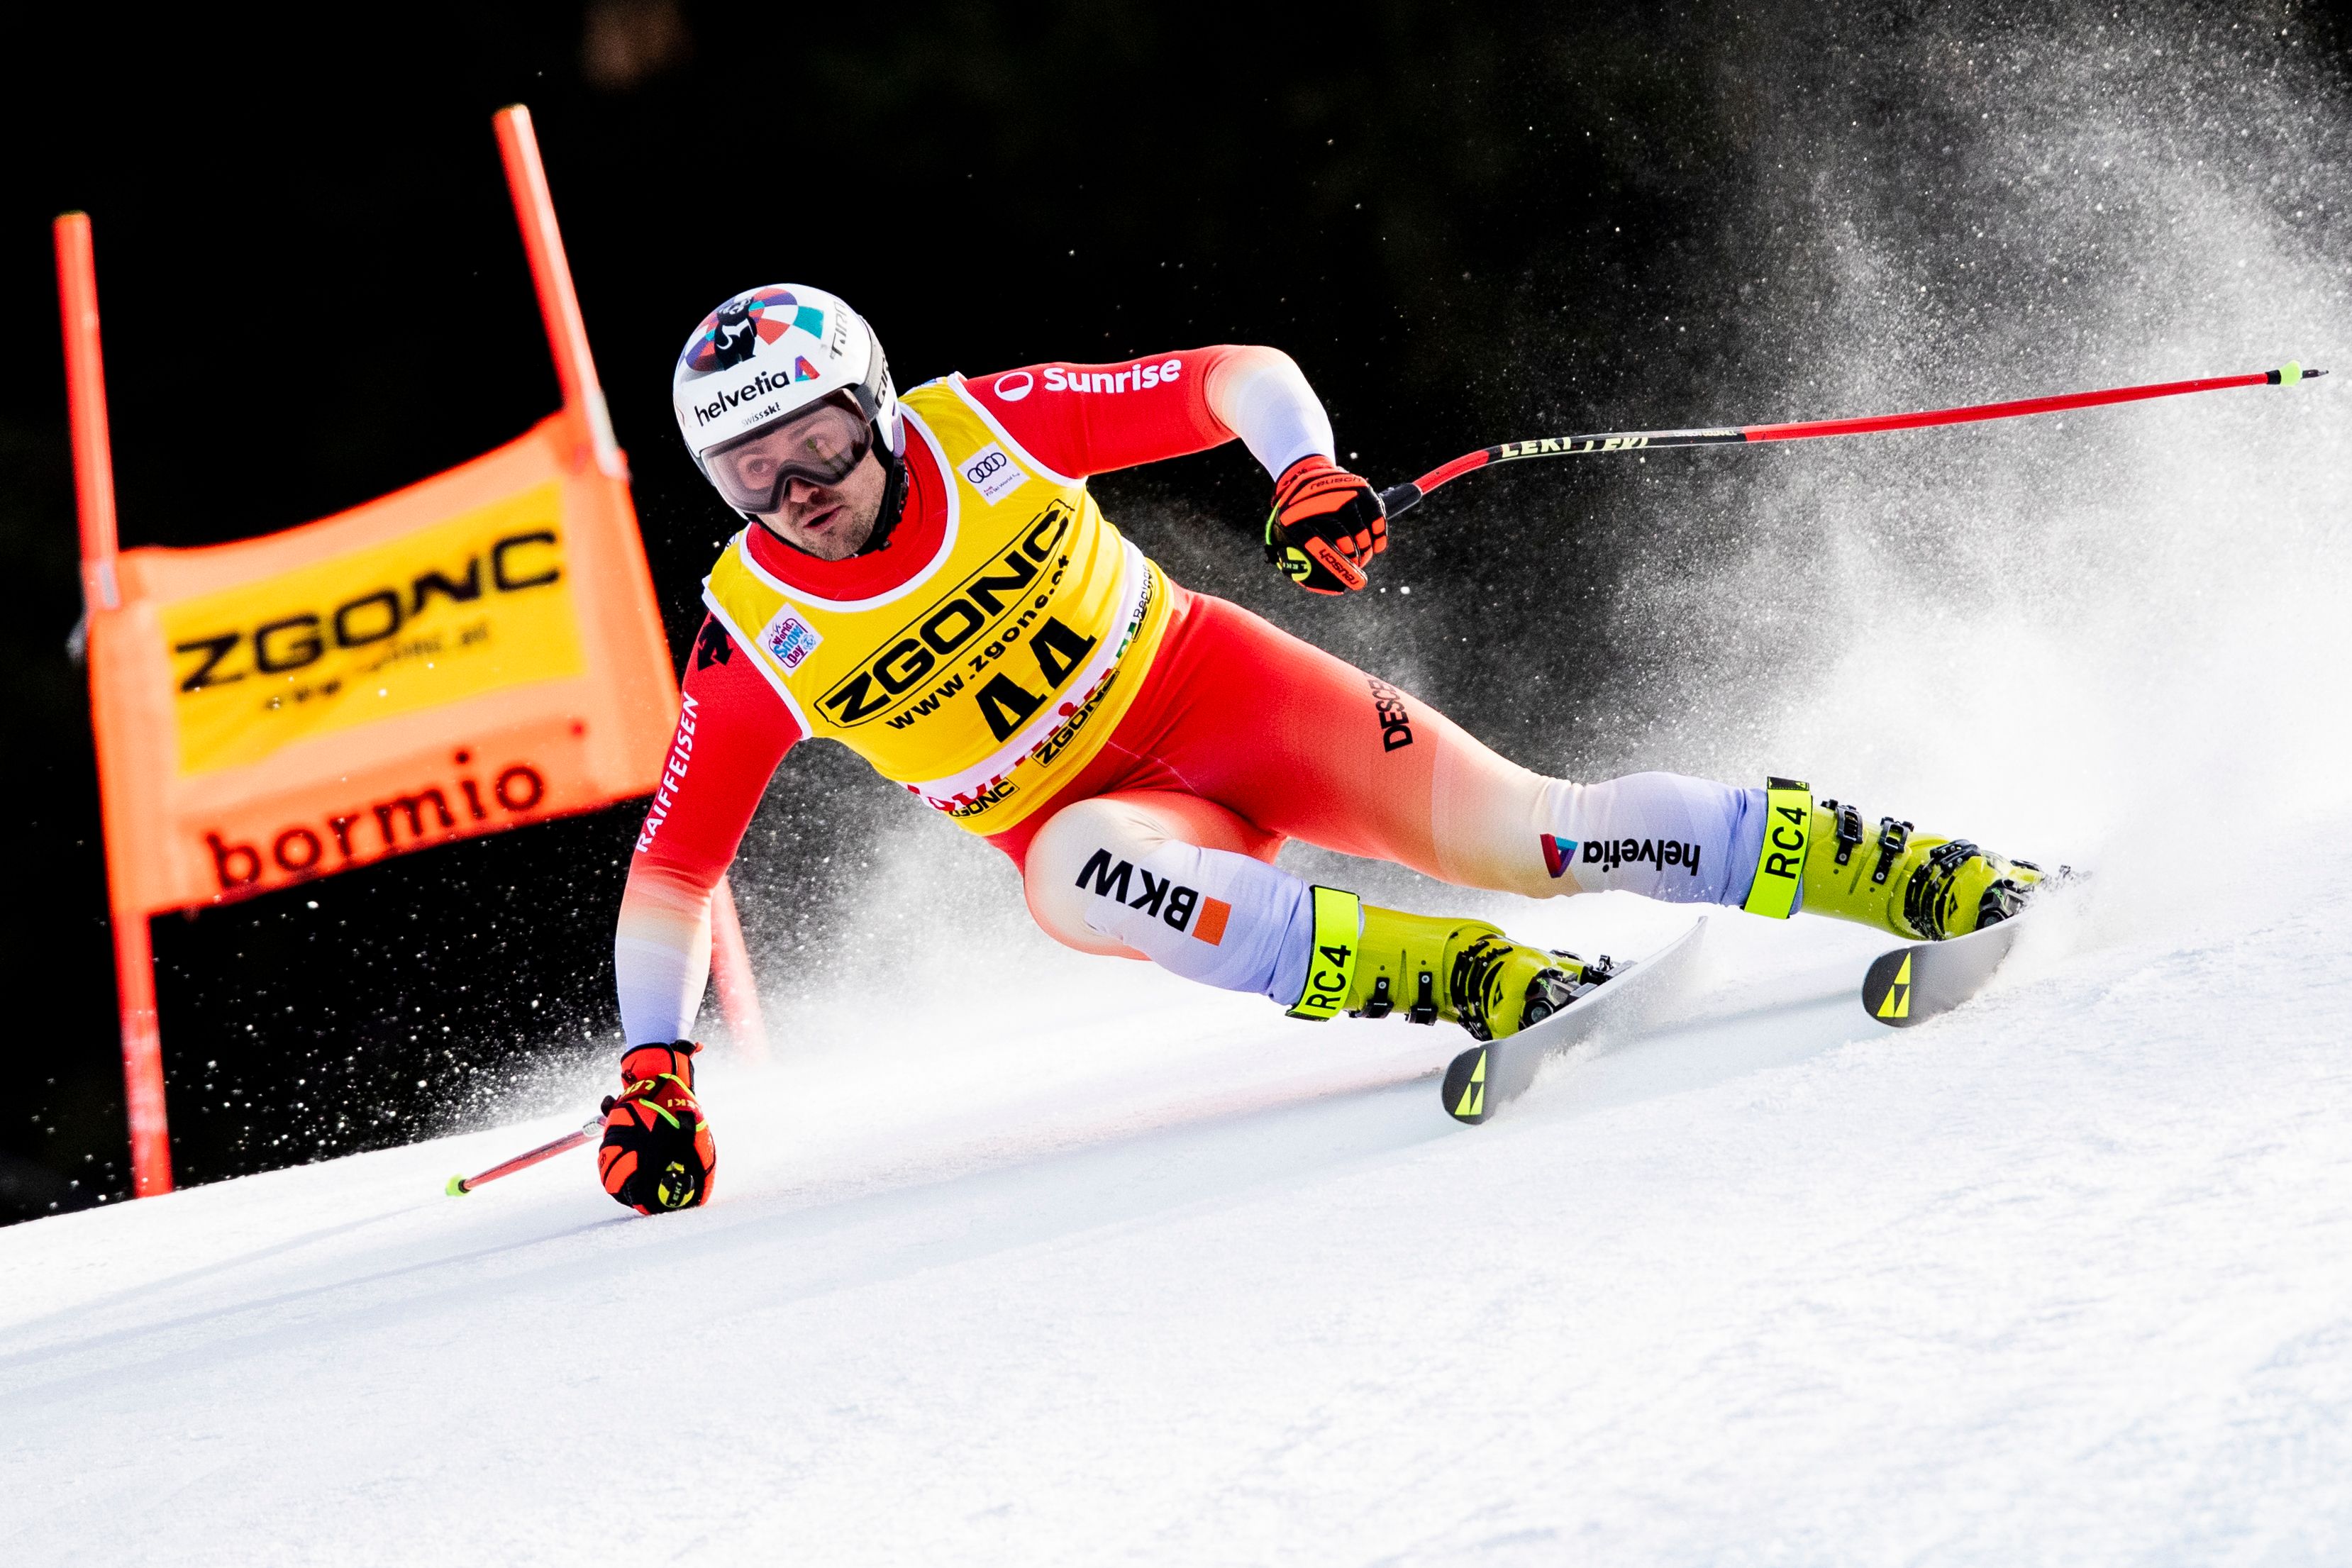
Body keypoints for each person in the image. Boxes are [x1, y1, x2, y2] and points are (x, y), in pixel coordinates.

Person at [592, 283, 2046, 1215]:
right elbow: (673, 871)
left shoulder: (990, 431)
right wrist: (655, 1066)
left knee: (1535, 836)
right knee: (1090, 870)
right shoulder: (753, 625)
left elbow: (1234, 371)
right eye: (747, 471)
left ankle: (1915, 872)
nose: (796, 491)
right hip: (1101, 827)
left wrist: (1301, 469)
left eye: (820, 444)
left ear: (879, 408)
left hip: (1222, 695)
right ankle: (1478, 983)